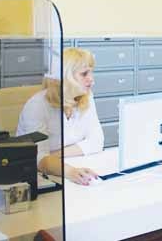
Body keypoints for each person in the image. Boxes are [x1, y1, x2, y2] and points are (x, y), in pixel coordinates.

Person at [17, 47, 103, 186]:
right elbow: (37, 159)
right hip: (39, 177)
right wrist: (70, 171)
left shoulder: (86, 97)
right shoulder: (37, 105)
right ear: (66, 76)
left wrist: (53, 156)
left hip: (68, 165)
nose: (91, 79)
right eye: (84, 74)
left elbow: (97, 142)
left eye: (91, 72)